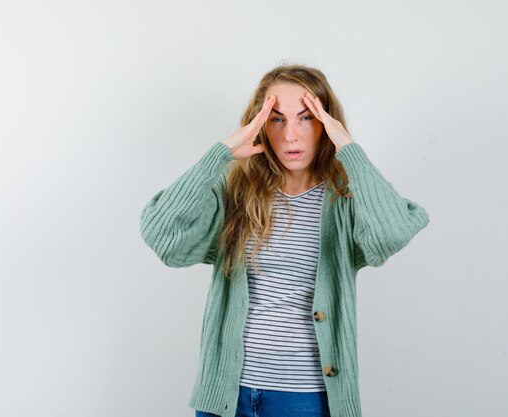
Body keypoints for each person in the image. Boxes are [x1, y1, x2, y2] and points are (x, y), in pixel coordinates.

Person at [139, 64, 430, 417]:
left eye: (306, 118)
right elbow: (163, 236)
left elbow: (393, 231)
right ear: (260, 125)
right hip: (226, 398)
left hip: (305, 398)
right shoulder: (236, 193)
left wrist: (349, 149)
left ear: (327, 124)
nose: (291, 135)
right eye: (276, 119)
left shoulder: (345, 200)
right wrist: (218, 154)